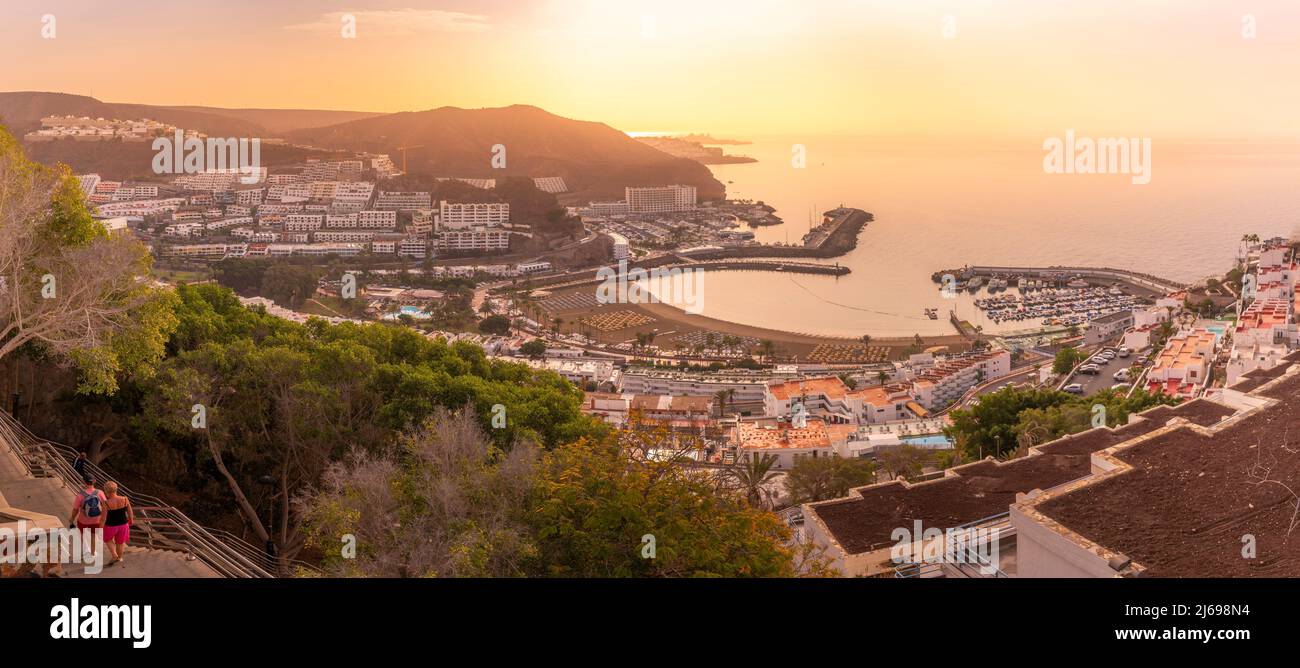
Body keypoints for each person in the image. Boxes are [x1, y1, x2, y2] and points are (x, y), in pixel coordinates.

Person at [68, 475, 106, 559]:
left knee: (82, 535)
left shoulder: (80, 495)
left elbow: (75, 509)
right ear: (94, 481)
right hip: (96, 520)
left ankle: (86, 549)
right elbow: (105, 505)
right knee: (93, 536)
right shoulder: (100, 493)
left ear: (84, 482)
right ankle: (93, 553)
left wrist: (72, 519)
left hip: (83, 520)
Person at [101, 481, 133, 567]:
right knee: (120, 542)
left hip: (110, 525)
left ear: (106, 491)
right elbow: (130, 512)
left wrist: (100, 528)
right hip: (123, 524)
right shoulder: (125, 499)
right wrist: (131, 520)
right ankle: (119, 557)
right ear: (116, 489)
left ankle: (114, 555)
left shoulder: (106, 503)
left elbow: (103, 518)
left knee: (107, 539)